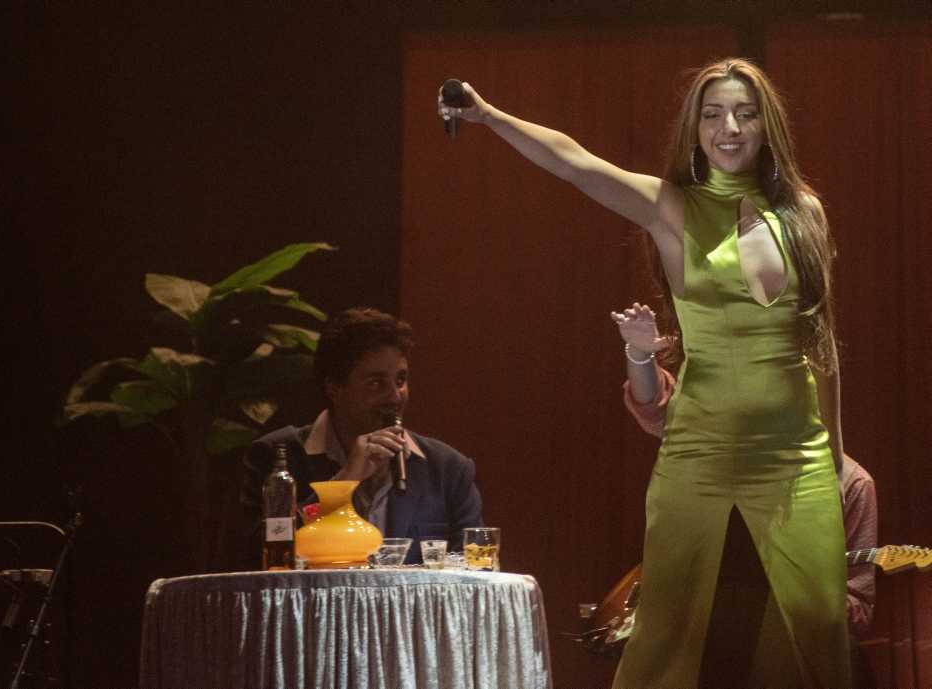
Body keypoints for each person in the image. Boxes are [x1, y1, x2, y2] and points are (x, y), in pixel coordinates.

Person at [440, 58, 848, 687]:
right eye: (713, 115)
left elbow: (822, 348)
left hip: (797, 455)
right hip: (700, 450)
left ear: (767, 126)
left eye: (745, 114)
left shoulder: (803, 213)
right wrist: (489, 115)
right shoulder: (671, 206)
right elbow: (575, 163)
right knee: (666, 628)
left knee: (820, 628)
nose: (730, 128)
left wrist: (837, 459)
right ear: (695, 129)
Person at [613, 303, 878, 687]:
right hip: (708, 637)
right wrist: (639, 354)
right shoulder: (714, 448)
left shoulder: (852, 484)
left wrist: (812, 593)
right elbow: (655, 405)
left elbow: (859, 606)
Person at [240, 307, 483, 566]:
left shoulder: (448, 469)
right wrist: (344, 481)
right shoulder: (278, 457)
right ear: (334, 388)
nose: (395, 396)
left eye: (401, 380)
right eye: (376, 383)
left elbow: (473, 570)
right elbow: (258, 558)